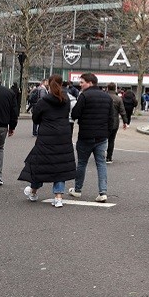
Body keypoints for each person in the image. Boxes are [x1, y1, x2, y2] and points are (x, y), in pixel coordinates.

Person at [19, 74, 76, 208]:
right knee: (60, 164)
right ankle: (58, 197)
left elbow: (36, 118)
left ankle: (33, 191)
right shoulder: (66, 99)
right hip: (63, 134)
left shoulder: (43, 101)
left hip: (46, 134)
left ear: (49, 84)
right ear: (61, 84)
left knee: (40, 164)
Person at [69, 73, 114, 202]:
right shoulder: (107, 97)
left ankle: (77, 189)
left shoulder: (84, 96)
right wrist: (107, 133)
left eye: (82, 82)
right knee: (101, 164)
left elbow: (75, 113)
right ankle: (103, 192)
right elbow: (111, 118)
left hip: (86, 135)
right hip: (102, 136)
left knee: (82, 163)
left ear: (90, 83)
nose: (80, 84)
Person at [105, 82, 129, 164]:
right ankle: (109, 157)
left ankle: (100, 155)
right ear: (115, 88)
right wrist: (125, 122)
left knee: (102, 140)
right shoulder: (118, 99)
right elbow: (122, 111)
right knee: (111, 140)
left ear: (107, 88)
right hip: (114, 122)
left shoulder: (104, 97)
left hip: (104, 122)